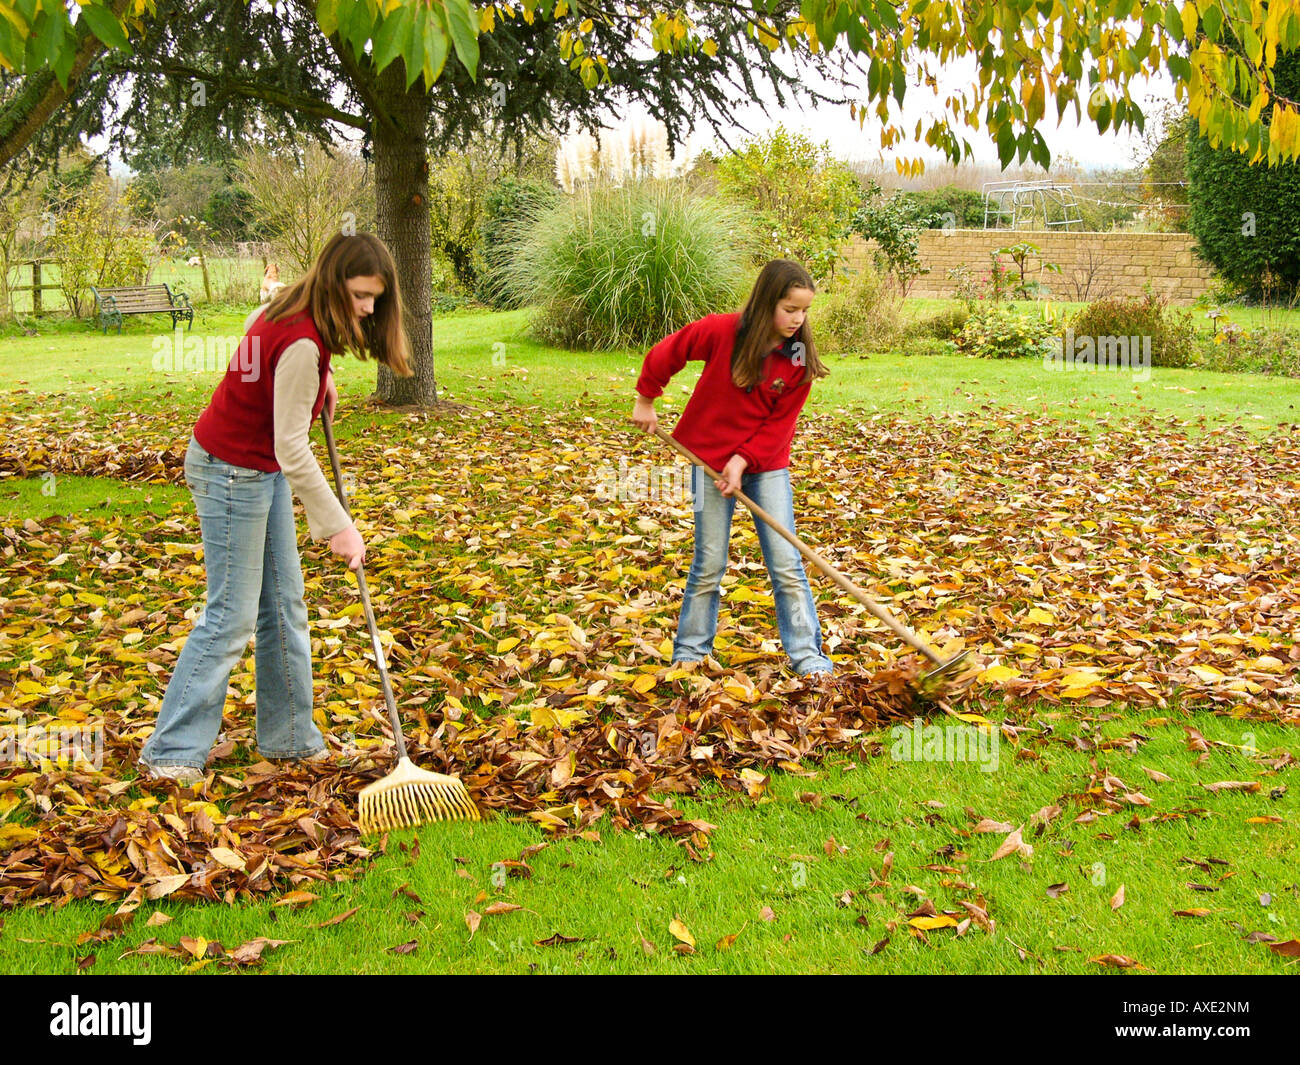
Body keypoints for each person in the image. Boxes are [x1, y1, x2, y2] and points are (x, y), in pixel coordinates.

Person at [139, 233, 413, 785]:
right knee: (231, 616)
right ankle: (170, 752)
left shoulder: (291, 304)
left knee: (283, 601)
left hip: (254, 467)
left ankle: (289, 738)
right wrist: (338, 524)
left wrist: (320, 378)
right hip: (230, 469)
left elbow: (254, 326)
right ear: (335, 284)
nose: (368, 308)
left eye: (375, 300)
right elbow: (292, 447)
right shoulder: (304, 342)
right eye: (361, 295)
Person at [631, 258, 834, 677]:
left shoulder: (798, 358)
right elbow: (669, 352)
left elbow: (780, 425)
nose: (798, 319)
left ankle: (808, 657)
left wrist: (743, 461)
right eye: (789, 309)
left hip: (765, 463)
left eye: (804, 310)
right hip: (706, 459)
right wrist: (646, 397)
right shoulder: (722, 330)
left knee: (786, 562)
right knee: (709, 560)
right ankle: (690, 652)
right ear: (766, 302)